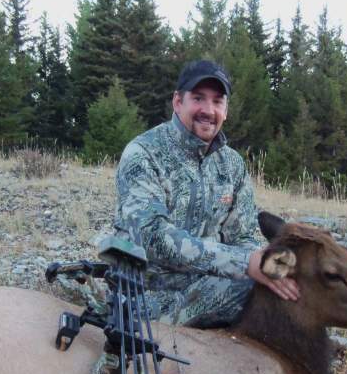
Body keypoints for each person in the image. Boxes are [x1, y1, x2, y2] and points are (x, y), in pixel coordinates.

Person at [114, 60, 299, 328]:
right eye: (198, 98)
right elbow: (151, 237)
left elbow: (243, 236)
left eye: (217, 101)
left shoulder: (232, 165)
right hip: (147, 290)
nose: (208, 110)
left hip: (209, 285)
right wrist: (245, 262)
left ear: (226, 109)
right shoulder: (143, 154)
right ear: (178, 102)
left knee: (283, 287)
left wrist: (263, 265)